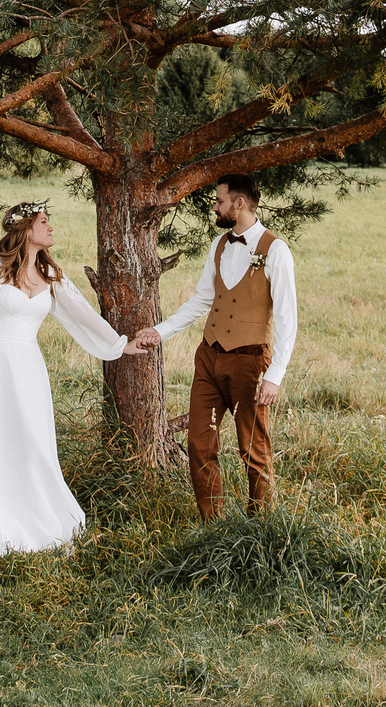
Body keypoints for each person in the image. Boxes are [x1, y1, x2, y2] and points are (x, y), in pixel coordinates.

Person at [0, 201, 136, 554]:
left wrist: (119, 345)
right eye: (45, 221)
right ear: (25, 228)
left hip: (27, 367)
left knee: (31, 439)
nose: (51, 228)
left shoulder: (52, 276)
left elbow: (82, 317)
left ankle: (31, 506)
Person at [127, 174, 297, 518]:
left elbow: (287, 319)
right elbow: (201, 300)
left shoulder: (275, 250)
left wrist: (274, 374)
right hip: (209, 357)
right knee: (199, 444)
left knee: (253, 448)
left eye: (219, 201)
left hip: (250, 362)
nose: (215, 207)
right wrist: (159, 332)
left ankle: (261, 525)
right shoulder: (219, 245)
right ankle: (212, 523)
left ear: (239, 203)